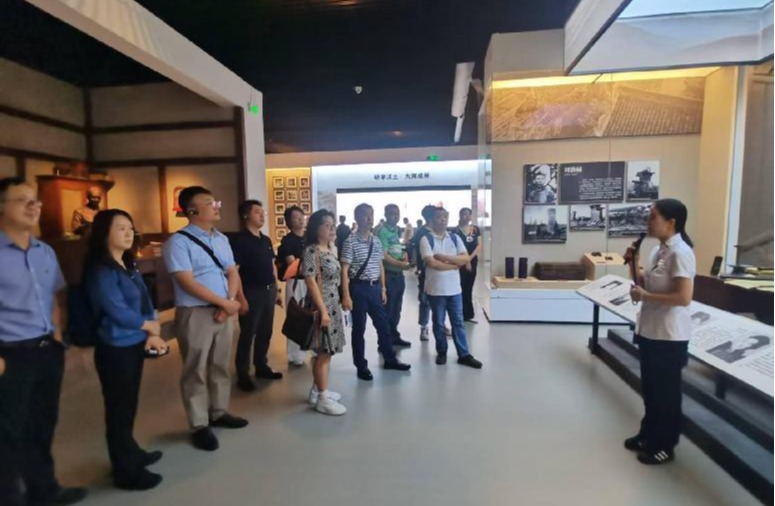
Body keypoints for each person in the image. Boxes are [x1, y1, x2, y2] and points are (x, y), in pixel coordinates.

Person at [0, 178, 87, 506]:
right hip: (10, 355)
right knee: (8, 433)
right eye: (22, 200)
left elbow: (53, 297)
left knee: (42, 424)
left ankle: (44, 490)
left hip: (46, 350)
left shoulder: (44, 251)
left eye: (35, 200)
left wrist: (57, 337)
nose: (33, 205)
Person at [84, 210, 167, 491]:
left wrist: (151, 329)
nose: (129, 233)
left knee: (129, 405)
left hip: (134, 342)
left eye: (130, 227)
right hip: (115, 346)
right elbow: (115, 309)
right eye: (121, 228)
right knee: (118, 410)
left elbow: (145, 299)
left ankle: (130, 452)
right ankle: (125, 471)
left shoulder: (127, 263)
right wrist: (148, 326)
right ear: (104, 233)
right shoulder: (101, 269)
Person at [163, 186, 248, 452]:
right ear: (192, 210)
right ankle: (199, 424)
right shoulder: (178, 242)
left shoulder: (221, 239)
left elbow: (232, 272)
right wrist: (224, 303)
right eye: (210, 203)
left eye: (215, 201)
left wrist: (229, 302)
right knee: (195, 369)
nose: (217, 206)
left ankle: (219, 411)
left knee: (220, 364)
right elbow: (186, 282)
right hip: (195, 313)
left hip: (223, 311)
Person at [626, 198, 696, 465]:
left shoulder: (681, 253)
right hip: (650, 331)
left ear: (671, 222)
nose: (648, 222)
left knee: (666, 394)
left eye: (653, 217)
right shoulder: (658, 251)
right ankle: (648, 434)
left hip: (669, 336)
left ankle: (665, 444)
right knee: (651, 389)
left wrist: (645, 296)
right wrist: (634, 262)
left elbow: (683, 297)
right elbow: (643, 283)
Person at [341, 203, 411, 381]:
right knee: (359, 329)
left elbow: (380, 265)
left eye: (371, 215)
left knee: (384, 325)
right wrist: (346, 295)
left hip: (375, 289)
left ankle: (390, 359)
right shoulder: (350, 242)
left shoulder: (376, 241)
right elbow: (344, 269)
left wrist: (383, 288)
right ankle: (361, 366)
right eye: (365, 215)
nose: (369, 218)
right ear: (357, 218)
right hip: (358, 289)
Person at [419, 206, 483, 369]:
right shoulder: (426, 239)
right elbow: (432, 263)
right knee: (439, 323)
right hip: (436, 290)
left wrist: (443, 257)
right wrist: (454, 265)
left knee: (458, 323)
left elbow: (465, 259)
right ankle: (442, 351)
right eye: (439, 217)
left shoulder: (455, 238)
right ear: (432, 220)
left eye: (445, 217)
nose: (443, 220)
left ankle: (464, 354)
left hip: (455, 290)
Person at [230, 200, 284, 392]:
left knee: (265, 332)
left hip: (269, 290)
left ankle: (261, 366)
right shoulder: (239, 240)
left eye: (263, 212)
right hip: (251, 292)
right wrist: (240, 298)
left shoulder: (265, 239)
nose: (262, 215)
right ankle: (243, 374)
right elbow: (234, 272)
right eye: (257, 212)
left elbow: (272, 266)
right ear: (246, 215)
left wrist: (277, 289)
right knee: (248, 334)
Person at [301, 210, 348, 415]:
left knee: (328, 351)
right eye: (327, 225)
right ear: (316, 228)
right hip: (322, 305)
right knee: (323, 353)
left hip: (333, 304)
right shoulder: (312, 251)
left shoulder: (330, 248)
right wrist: (323, 311)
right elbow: (310, 281)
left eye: (332, 225)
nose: (331, 229)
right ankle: (322, 398)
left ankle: (317, 390)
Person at [376, 204, 413, 347]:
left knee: (397, 309)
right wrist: (401, 264)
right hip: (388, 275)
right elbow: (384, 256)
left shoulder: (396, 230)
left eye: (397, 214)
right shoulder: (382, 231)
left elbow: (395, 249)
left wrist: (403, 255)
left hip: (398, 275)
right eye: (391, 213)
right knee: (388, 309)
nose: (395, 216)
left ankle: (394, 336)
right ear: (385, 215)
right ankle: (384, 342)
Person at [278, 205, 308, 366]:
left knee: (312, 314)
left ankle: (311, 346)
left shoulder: (309, 237)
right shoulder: (288, 240)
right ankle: (295, 355)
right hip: (297, 282)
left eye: (302, 216)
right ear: (289, 222)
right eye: (296, 217)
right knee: (296, 316)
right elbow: (293, 264)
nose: (301, 219)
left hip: (311, 281)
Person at [453, 208, 483, 323]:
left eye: (468, 214)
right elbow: (454, 247)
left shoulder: (475, 229)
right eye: (463, 214)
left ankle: (468, 314)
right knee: (460, 286)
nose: (466, 216)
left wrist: (469, 259)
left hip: (472, 261)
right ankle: (459, 314)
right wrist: (465, 260)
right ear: (459, 215)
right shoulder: (455, 231)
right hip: (459, 261)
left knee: (469, 287)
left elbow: (479, 245)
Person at [413, 205, 437, 341]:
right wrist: (418, 267)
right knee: (425, 300)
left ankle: (440, 325)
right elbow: (417, 252)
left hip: (440, 271)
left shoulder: (439, 231)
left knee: (440, 299)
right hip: (426, 271)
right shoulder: (421, 233)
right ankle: (424, 327)